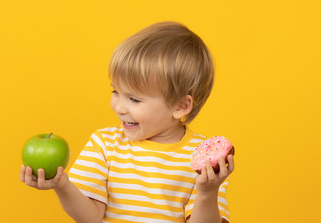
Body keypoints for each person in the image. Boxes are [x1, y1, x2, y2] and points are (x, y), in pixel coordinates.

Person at [20, 21, 235, 223]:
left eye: (134, 99)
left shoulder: (202, 162)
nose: (119, 107)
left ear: (180, 106)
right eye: (116, 91)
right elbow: (90, 217)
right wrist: (62, 185)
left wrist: (207, 193)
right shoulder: (104, 144)